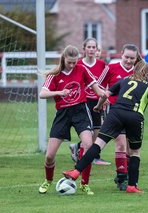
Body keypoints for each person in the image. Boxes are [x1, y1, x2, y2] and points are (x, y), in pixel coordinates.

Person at [62, 60, 148, 193]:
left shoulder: (125, 80)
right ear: (147, 72)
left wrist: (98, 106)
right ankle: (131, 186)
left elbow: (105, 94)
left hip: (115, 113)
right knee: (135, 152)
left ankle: (76, 171)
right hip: (134, 117)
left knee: (98, 144)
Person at [38, 45, 106, 195]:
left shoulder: (81, 69)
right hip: (62, 114)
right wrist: (59, 92)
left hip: (80, 111)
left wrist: (104, 95)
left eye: (75, 62)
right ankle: (48, 181)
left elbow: (97, 88)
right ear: (64, 59)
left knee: (88, 144)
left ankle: (84, 183)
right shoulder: (54, 75)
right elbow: (42, 94)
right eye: (70, 62)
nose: (73, 65)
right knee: (49, 156)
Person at [97, 44, 141, 190]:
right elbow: (99, 86)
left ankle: (124, 173)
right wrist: (103, 101)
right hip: (114, 111)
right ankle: (122, 178)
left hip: (133, 113)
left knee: (130, 148)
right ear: (121, 54)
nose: (129, 60)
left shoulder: (140, 71)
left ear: (136, 58)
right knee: (121, 143)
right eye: (126, 57)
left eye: (132, 58)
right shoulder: (111, 67)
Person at [68, 38, 111, 166]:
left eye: (94, 47)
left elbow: (105, 83)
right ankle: (91, 156)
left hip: (97, 101)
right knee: (89, 132)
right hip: (83, 101)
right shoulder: (79, 64)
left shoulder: (102, 64)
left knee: (98, 131)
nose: (91, 50)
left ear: (97, 49)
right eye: (89, 47)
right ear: (84, 49)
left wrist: (105, 97)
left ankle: (78, 147)